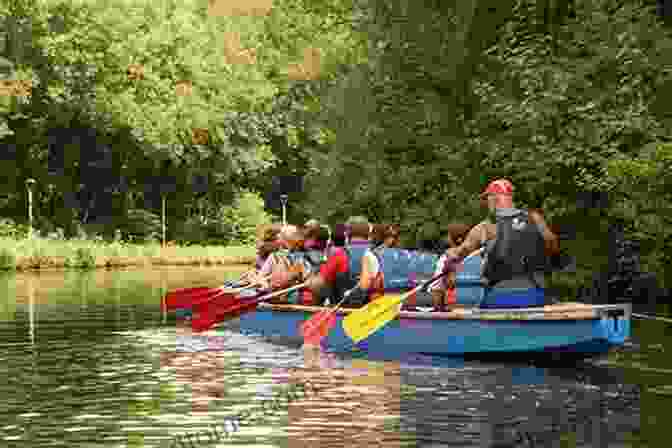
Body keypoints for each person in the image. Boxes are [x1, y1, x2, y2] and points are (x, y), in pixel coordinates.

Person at [442, 179, 560, 309]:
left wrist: (448, 262)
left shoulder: (485, 227)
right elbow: (552, 244)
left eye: (487, 199)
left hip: (500, 295)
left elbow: (457, 255)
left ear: (493, 199)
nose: (487, 204)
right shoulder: (535, 219)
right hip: (536, 294)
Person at [428, 223, 472, 312]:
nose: (447, 238)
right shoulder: (472, 253)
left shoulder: (448, 254)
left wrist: (437, 308)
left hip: (452, 305)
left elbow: (437, 288)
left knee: (438, 289)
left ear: (457, 239)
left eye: (448, 235)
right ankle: (441, 307)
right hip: (445, 275)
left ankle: (439, 308)